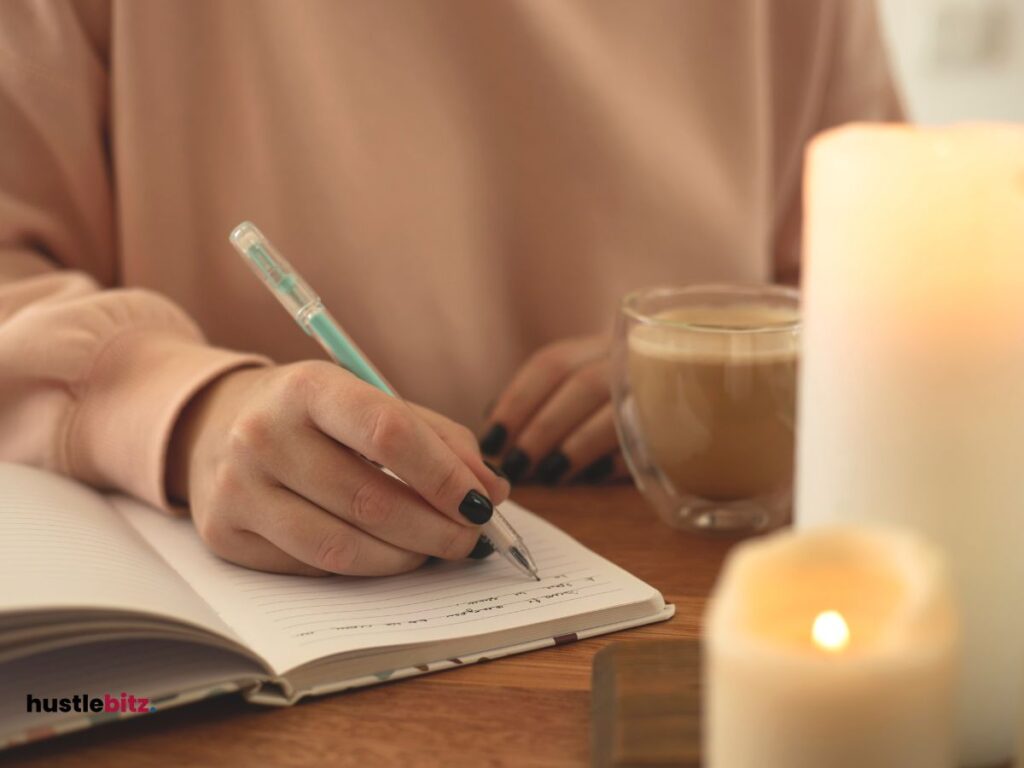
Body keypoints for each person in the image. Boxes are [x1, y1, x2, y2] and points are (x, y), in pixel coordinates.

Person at [0, 0, 901, 576]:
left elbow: (904, 275)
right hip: (244, 601)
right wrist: (190, 414)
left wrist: (715, 365)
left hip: (712, 575)